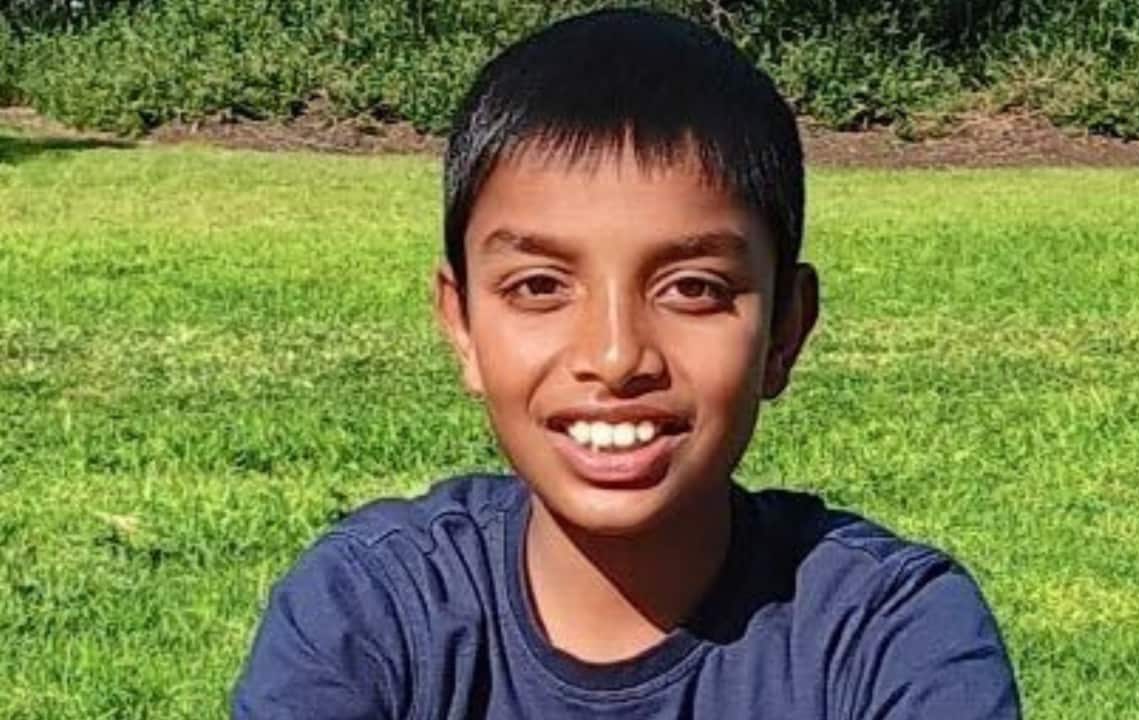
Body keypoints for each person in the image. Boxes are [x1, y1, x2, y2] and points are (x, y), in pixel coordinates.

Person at [231, 8, 1020, 718]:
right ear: (462, 322)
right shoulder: (372, 613)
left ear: (785, 330)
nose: (615, 356)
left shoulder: (885, 634)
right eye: (539, 287)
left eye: (693, 289)